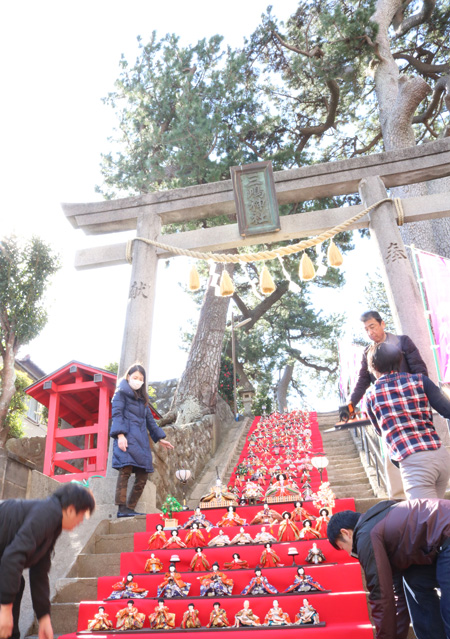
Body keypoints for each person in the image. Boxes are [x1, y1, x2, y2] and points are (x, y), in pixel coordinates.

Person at [327, 501, 450, 639]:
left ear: (346, 533)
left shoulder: (366, 536)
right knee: (415, 581)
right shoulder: (378, 525)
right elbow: (396, 595)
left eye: (343, 547)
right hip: (437, 543)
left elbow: (380, 593)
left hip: (445, 535)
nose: (350, 554)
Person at [349, 311, 428, 499]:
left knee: (420, 449)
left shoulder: (402, 342)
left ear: (382, 324)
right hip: (387, 412)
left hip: (411, 405)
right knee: (391, 452)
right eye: (366, 329)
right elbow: (362, 381)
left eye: (372, 327)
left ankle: (424, 491)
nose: (370, 332)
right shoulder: (367, 352)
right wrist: (350, 404)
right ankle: (399, 499)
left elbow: (419, 370)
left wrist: (423, 393)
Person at [0, 483, 95, 639]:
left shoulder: (53, 521)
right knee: (11, 585)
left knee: (16, 584)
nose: (81, 521)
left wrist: (44, 618)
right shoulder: (48, 514)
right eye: (82, 514)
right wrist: (4, 610)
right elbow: (12, 558)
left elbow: (39, 571)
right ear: (71, 509)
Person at [365, 342, 450, 499]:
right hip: (440, 455)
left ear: (374, 368)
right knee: (438, 519)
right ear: (399, 361)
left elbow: (380, 431)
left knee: (424, 520)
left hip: (414, 463)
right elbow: (447, 410)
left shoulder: (371, 396)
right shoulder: (420, 380)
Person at [110, 363, 174, 518]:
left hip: (141, 441)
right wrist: (120, 435)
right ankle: (121, 508)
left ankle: (130, 507)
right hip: (126, 437)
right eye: (135, 377)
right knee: (125, 471)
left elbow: (150, 422)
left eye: (141, 379)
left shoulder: (142, 400)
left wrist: (160, 439)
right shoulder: (120, 395)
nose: (138, 381)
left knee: (143, 475)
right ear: (128, 377)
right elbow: (117, 414)